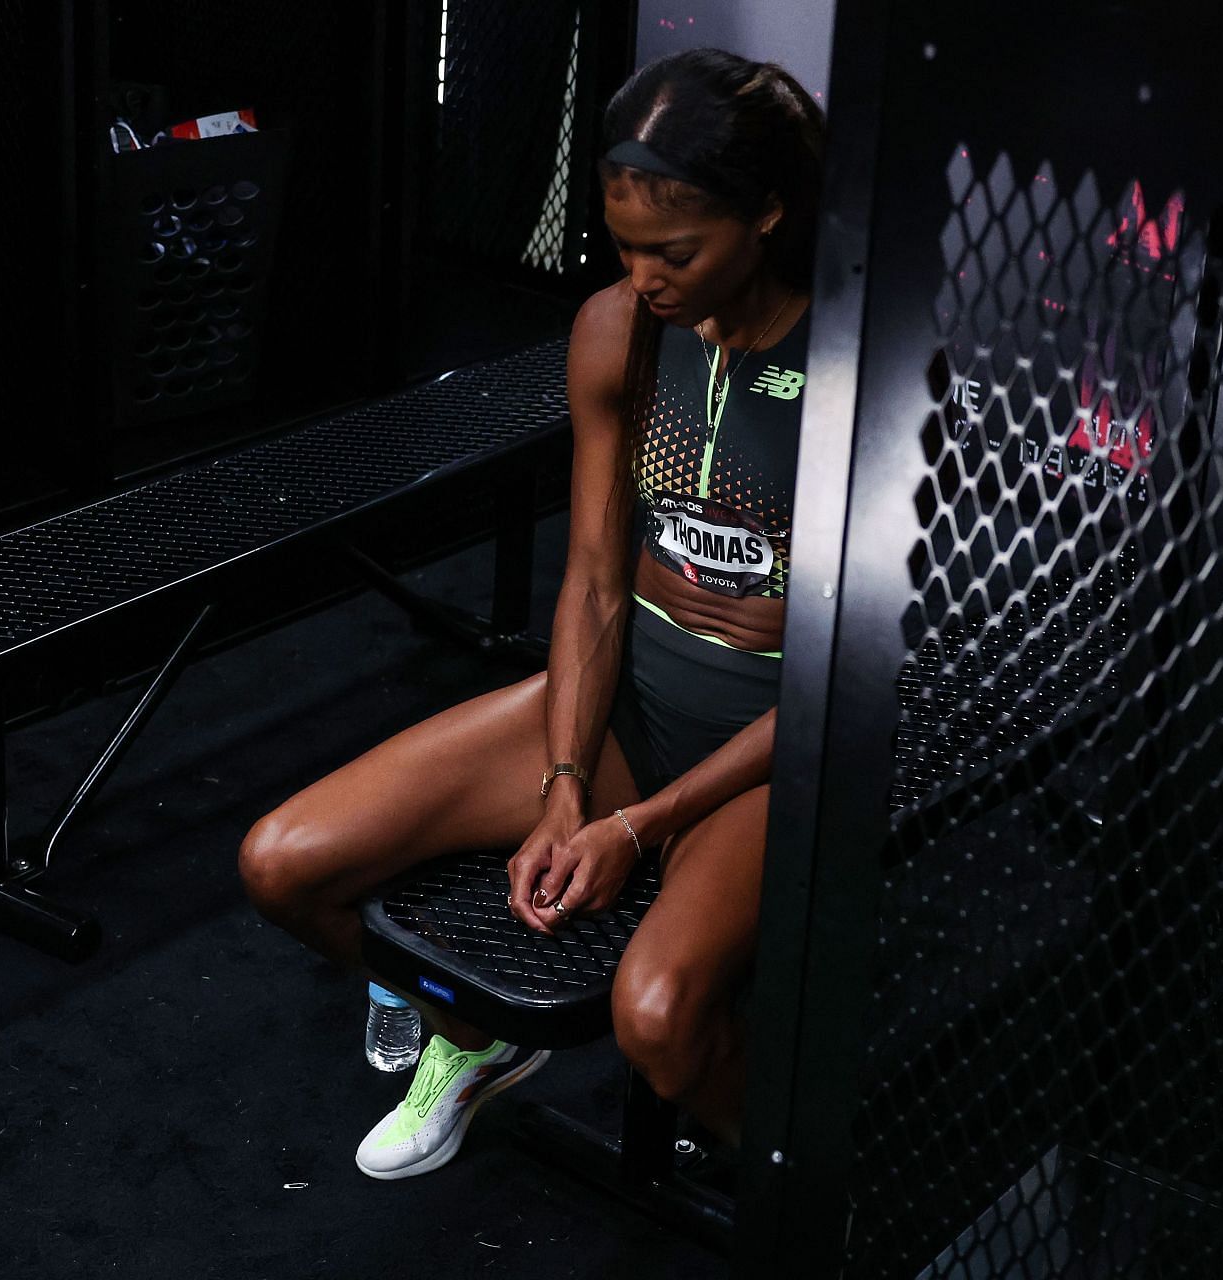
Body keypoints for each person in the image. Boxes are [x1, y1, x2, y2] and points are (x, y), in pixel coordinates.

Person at [237, 47, 824, 1181]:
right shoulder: (619, 330)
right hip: (628, 711)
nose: (642, 275)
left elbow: (838, 682)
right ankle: (476, 1031)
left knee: (658, 1021)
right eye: (623, 245)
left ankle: (797, 1166)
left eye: (676, 250)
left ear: (766, 217)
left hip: (771, 756)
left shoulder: (855, 372)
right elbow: (598, 575)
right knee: (283, 863)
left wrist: (642, 826)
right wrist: (565, 786)